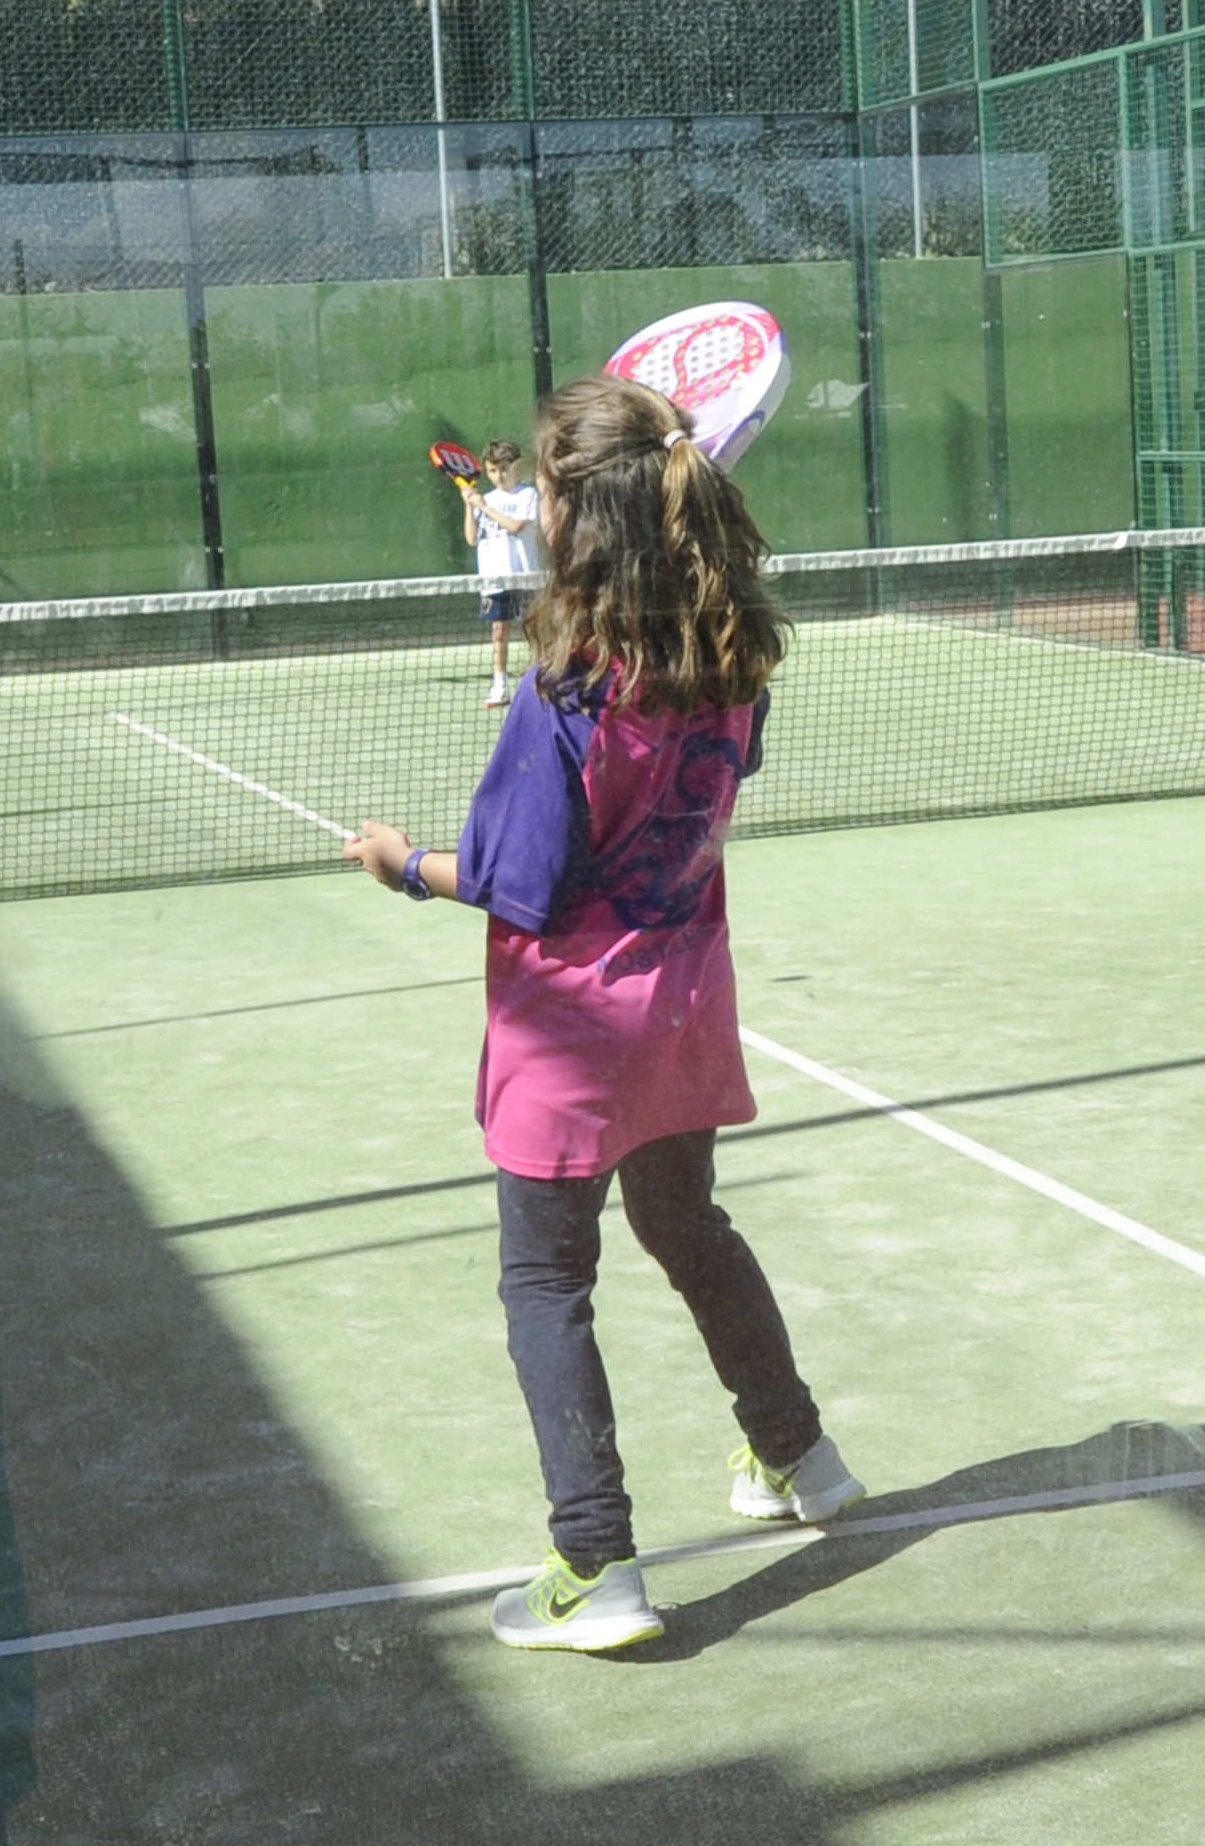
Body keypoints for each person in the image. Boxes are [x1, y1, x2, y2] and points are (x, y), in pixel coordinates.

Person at [346, 375, 864, 1652]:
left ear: (572, 519)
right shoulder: (738, 666)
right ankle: (800, 1457)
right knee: (687, 1225)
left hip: (570, 1040)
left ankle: (595, 1564)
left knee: (543, 1281)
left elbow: (518, 885)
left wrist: (404, 864)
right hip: (683, 1015)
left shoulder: (561, 701)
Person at [461, 438, 540, 709]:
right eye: (493, 471)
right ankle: (500, 686)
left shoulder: (527, 496)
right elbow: (472, 539)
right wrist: (469, 507)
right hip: (494, 579)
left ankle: (538, 682)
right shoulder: (486, 499)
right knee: (498, 632)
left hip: (525, 576)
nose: (500, 476)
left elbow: (516, 527)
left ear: (517, 466)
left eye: (505, 469)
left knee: (535, 631)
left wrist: (483, 507)